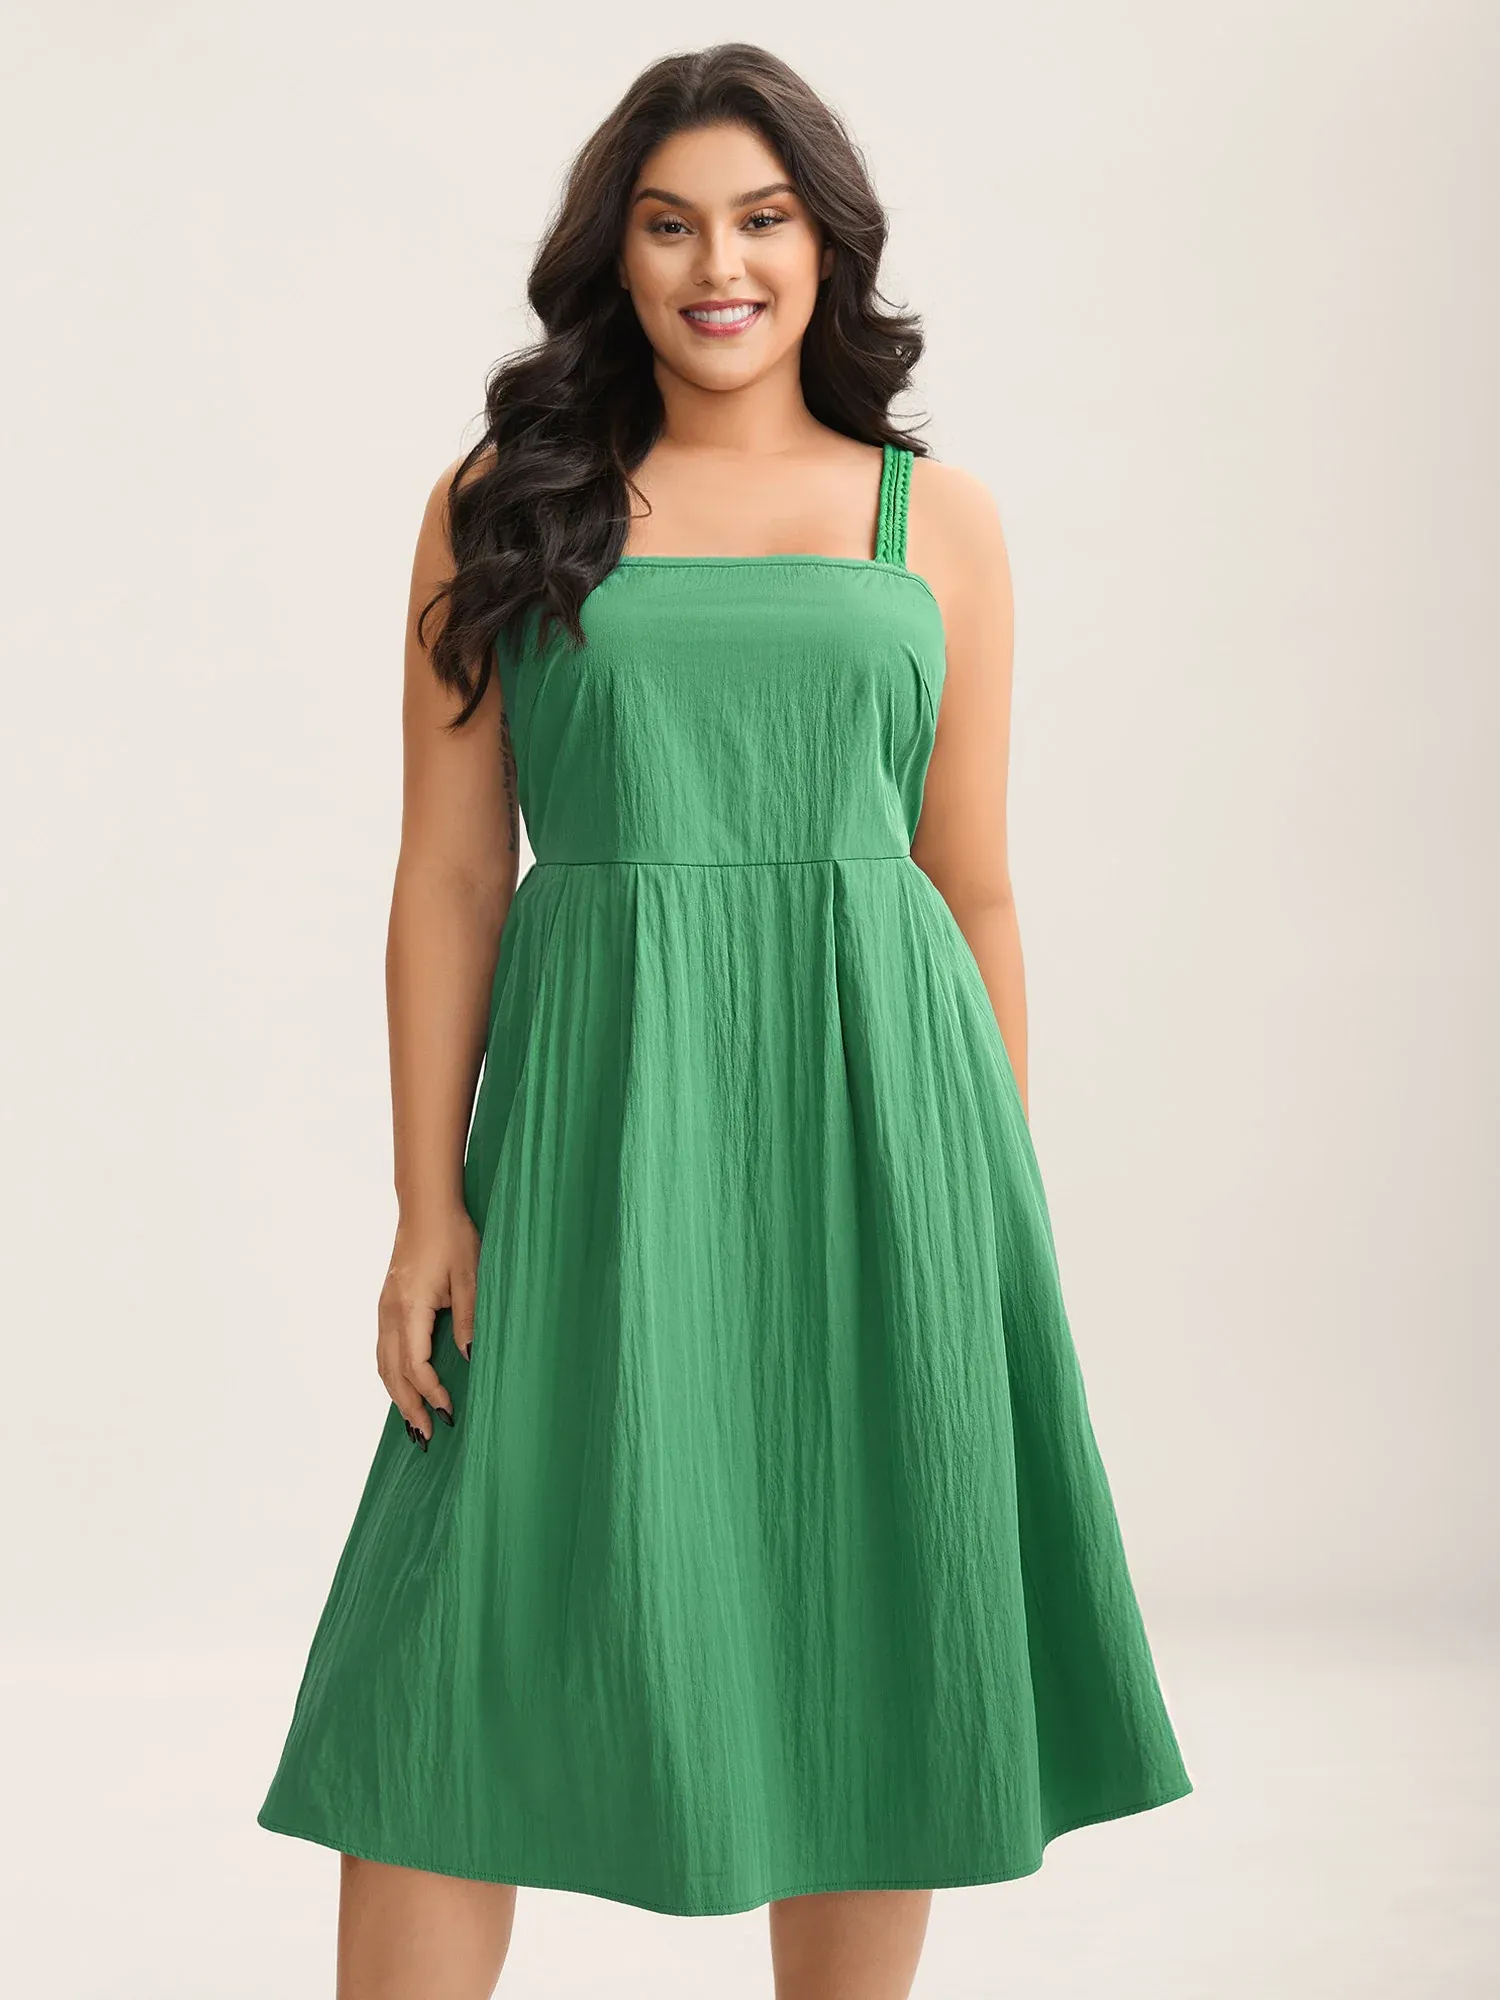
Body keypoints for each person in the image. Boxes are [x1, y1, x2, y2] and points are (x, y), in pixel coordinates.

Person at [257, 41, 1193, 2000]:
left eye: (761, 220)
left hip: (888, 1127)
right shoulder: (503, 507)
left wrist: (986, 1207)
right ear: (617, 255)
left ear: (825, 245)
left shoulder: (934, 518)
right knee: (455, 1631)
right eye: (671, 225)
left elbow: (971, 883)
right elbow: (451, 876)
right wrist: (429, 1204)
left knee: (867, 1608)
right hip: (596, 1123)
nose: (720, 266)